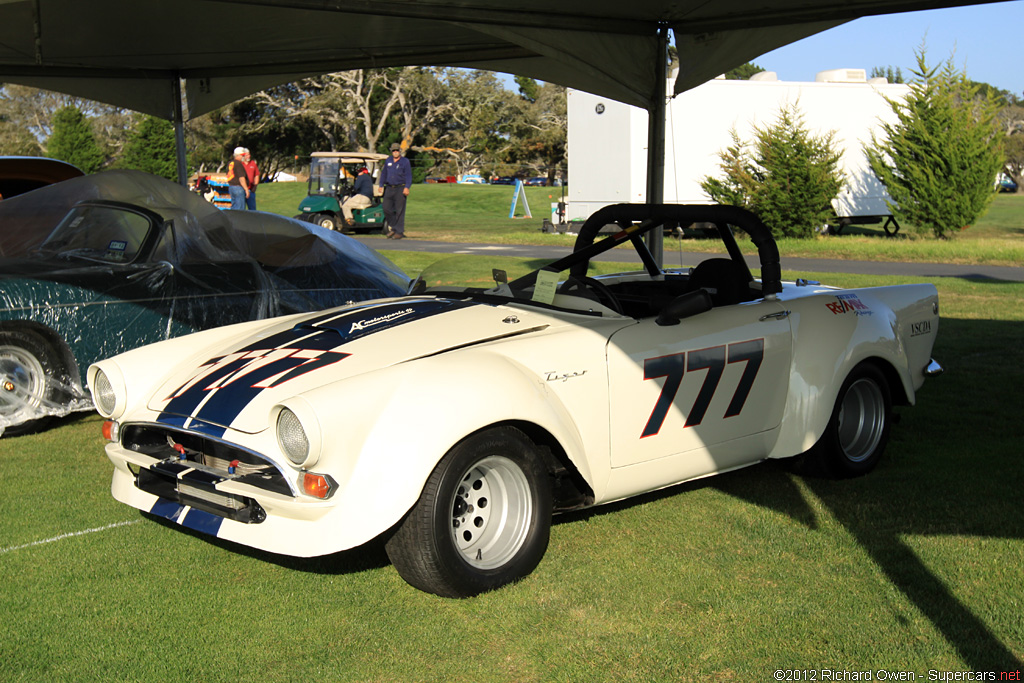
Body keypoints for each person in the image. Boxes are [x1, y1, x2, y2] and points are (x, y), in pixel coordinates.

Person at [378, 142, 412, 239]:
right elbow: (384, 173)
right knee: (386, 208)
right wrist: (381, 185)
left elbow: (409, 175)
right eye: (394, 151)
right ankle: (394, 227)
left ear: (400, 151)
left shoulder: (405, 161)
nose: (395, 152)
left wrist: (407, 187)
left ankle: (399, 232)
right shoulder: (388, 160)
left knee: (399, 210)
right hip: (389, 187)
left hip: (400, 188)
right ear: (391, 151)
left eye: (397, 150)